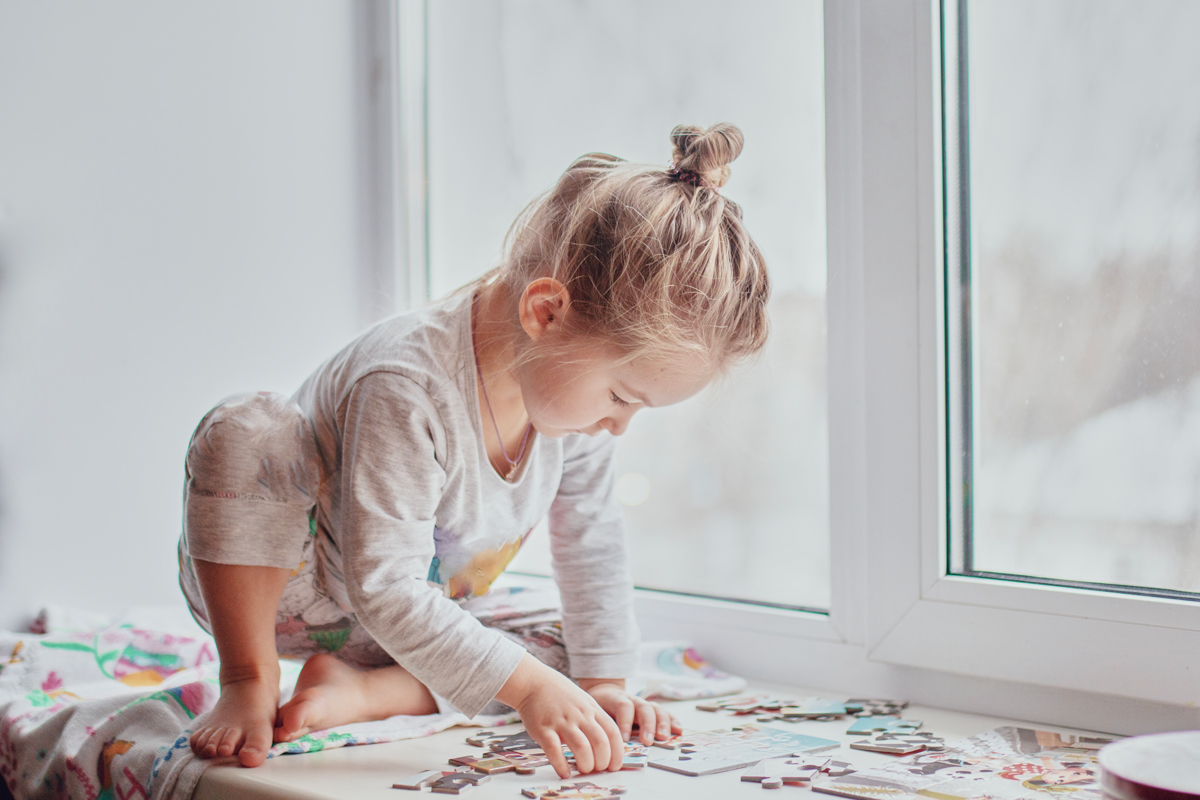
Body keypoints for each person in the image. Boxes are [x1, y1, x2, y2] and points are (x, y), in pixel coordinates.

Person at [178, 122, 771, 776]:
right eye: (621, 397)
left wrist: (604, 686)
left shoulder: (567, 410)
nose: (618, 426)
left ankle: (370, 690)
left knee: (583, 653)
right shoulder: (406, 385)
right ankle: (249, 679)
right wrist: (524, 687)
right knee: (248, 430)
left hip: (392, 623)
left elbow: (591, 539)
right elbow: (383, 586)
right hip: (284, 590)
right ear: (545, 313)